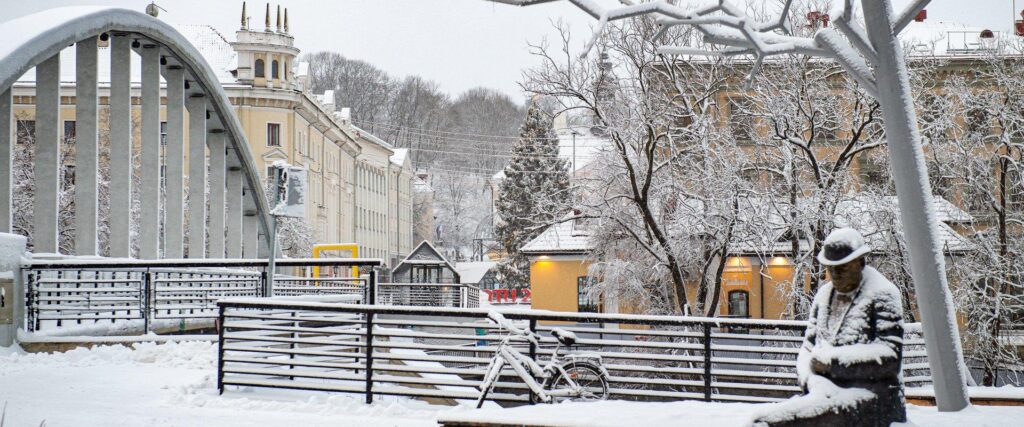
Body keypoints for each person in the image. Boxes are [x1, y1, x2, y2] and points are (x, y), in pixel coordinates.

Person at [753, 227, 906, 427]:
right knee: (761, 421)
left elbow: (890, 357)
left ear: (860, 263)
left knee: (771, 424)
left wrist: (831, 363)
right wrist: (811, 380)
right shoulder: (824, 296)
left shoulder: (883, 294)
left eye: (842, 267)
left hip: (872, 399)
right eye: (831, 268)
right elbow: (807, 349)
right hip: (824, 392)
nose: (835, 274)